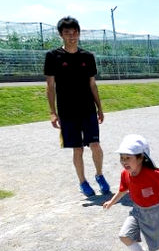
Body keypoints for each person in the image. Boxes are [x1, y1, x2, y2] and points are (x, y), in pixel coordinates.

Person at [44, 16, 110, 197]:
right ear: (61, 35)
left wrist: (100, 107)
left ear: (79, 34)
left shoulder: (87, 57)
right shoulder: (53, 56)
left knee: (95, 144)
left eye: (75, 33)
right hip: (67, 112)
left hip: (88, 109)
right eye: (67, 33)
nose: (72, 36)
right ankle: (83, 182)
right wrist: (52, 112)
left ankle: (99, 175)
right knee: (78, 148)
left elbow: (92, 84)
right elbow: (50, 86)